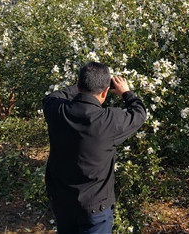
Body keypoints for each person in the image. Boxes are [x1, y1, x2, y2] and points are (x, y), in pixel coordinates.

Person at [43, 62, 147, 233]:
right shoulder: (109, 121)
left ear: (79, 84)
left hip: (62, 203)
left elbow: (51, 97)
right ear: (105, 91)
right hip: (94, 209)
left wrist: (79, 86)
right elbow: (139, 113)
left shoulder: (56, 111)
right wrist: (126, 92)